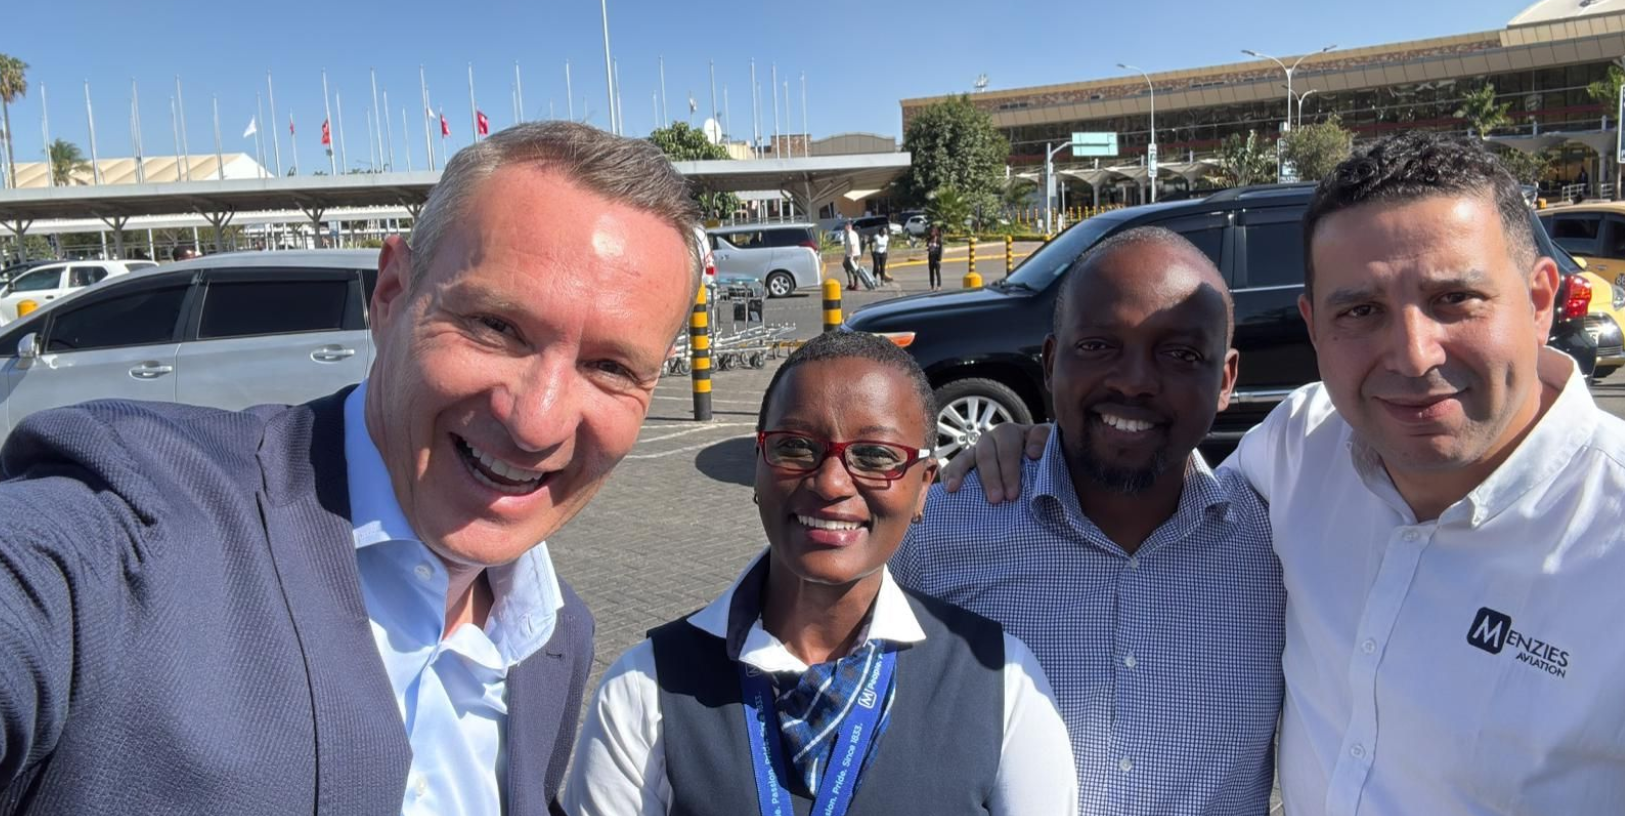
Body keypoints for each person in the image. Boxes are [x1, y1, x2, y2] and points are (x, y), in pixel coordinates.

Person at [0, 122, 705, 815]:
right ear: (391, 295)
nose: (538, 422)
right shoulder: (136, 529)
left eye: (610, 367)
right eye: (496, 326)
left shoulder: (554, 637)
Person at [944, 131, 1625, 814]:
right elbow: (1155, 471)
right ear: (1313, 325)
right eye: (1360, 310)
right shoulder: (1301, 447)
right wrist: (1044, 439)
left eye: (1453, 299)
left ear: (1540, 301)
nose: (1413, 355)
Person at [564, 331, 1078, 815]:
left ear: (924, 486)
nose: (831, 482)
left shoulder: (1000, 680)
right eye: (794, 446)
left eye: (876, 455)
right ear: (758, 466)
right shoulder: (645, 688)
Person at [893, 228, 1283, 815]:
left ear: (1225, 380)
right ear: (1051, 362)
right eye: (1100, 345)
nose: (1133, 381)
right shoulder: (940, 529)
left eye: (1179, 354)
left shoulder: (1280, 546)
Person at [843, 221, 862, 290]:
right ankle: (851, 283)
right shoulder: (850, 234)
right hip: (851, 254)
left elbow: (853, 245)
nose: (844, 228)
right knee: (846, 265)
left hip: (853, 255)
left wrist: (851, 256)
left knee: (853, 269)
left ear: (848, 227)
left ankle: (855, 284)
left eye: (845, 226)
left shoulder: (851, 234)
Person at [926, 226, 944, 291]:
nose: (931, 233)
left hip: (936, 259)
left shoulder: (938, 240)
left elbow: (941, 250)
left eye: (933, 232)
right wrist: (928, 248)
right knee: (931, 273)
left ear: (936, 232)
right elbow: (928, 247)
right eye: (931, 232)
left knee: (937, 272)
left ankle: (939, 286)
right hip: (931, 258)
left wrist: (939, 259)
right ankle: (932, 286)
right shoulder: (929, 239)